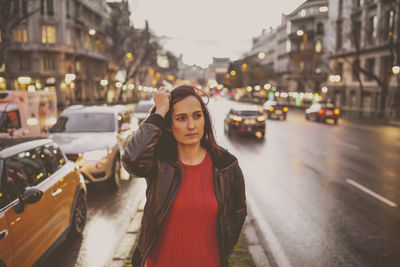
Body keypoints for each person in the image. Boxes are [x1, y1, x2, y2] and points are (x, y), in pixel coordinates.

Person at [122, 85, 247, 267]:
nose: (191, 126)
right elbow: (132, 160)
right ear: (169, 127)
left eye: (197, 116)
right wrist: (159, 112)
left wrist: (221, 253)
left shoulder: (226, 165)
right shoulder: (160, 163)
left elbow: (237, 213)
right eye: (181, 118)